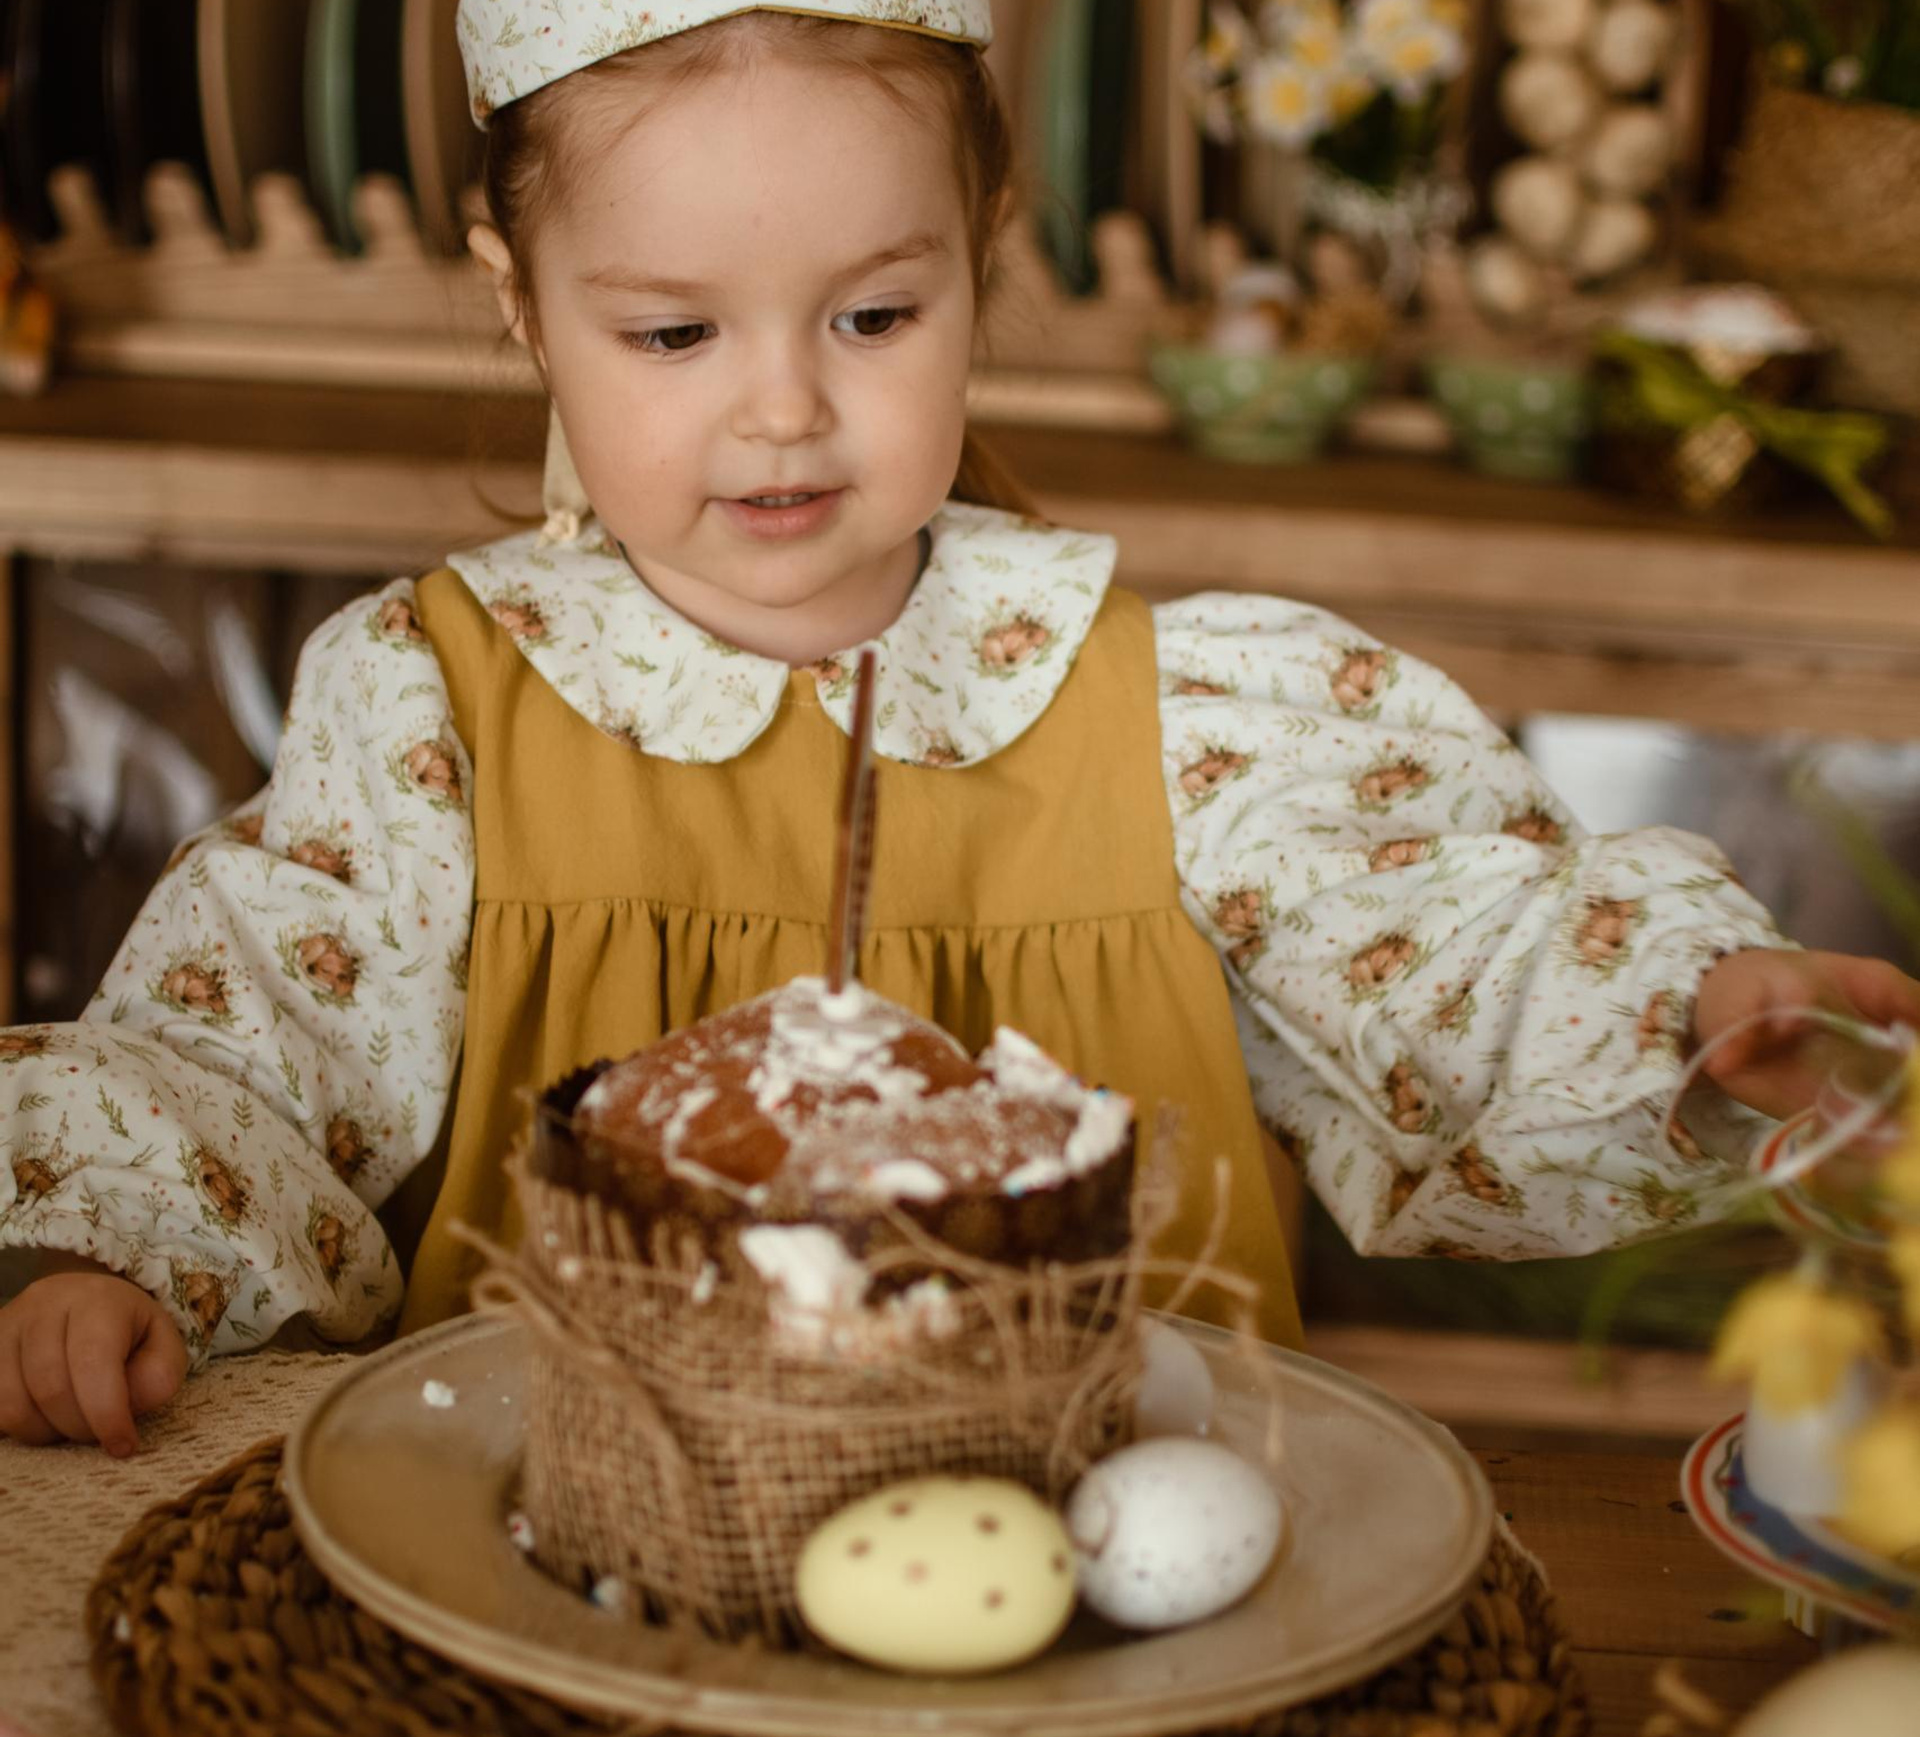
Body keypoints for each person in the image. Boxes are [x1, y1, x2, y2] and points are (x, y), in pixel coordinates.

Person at [1, 0, 1914, 1458]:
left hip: (1097, 1579)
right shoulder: (437, 712)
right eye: (674, 335)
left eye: (873, 318)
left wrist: (1693, 1007)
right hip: (575, 1561)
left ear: (978, 261)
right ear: (523, 309)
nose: (782, 413)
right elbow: (251, 1051)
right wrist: (106, 1259)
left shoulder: (1181, 717)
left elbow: (1446, 950)